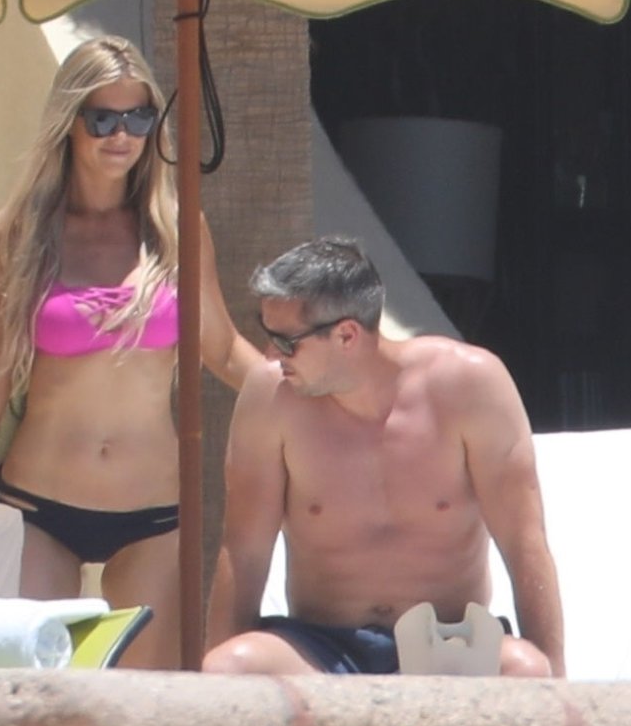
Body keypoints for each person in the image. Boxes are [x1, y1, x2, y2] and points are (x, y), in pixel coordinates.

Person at [0, 35, 260, 669]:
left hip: (153, 513)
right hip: (39, 505)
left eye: (140, 118)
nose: (123, 135)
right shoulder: (26, 233)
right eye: (103, 119)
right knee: (32, 698)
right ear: (70, 122)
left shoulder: (175, 229)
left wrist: (312, 391)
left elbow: (223, 350)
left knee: (143, 709)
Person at [203, 236, 565, 678]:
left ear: (347, 335)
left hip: (448, 644)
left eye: (286, 342)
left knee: (529, 671)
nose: (270, 356)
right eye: (267, 335)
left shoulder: (469, 386)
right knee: (227, 669)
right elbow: (244, 550)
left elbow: (524, 542)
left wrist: (559, 687)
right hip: (321, 647)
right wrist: (214, 696)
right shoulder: (271, 397)